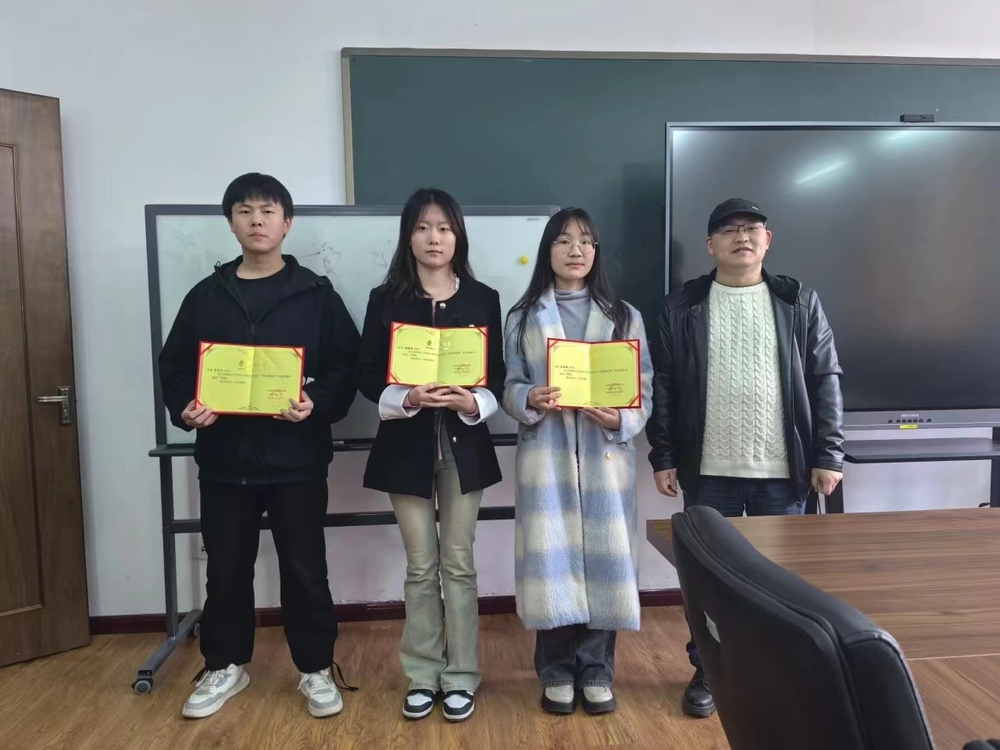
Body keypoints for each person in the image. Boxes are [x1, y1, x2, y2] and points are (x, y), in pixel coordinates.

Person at [159, 173, 360, 720]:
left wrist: (316, 401)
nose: (256, 220)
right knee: (225, 570)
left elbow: (347, 365)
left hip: (297, 459)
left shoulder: (317, 294)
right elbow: (174, 365)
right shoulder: (205, 295)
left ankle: (315, 668)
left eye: (268, 211)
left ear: (286, 223)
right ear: (231, 223)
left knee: (305, 568)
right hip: (224, 461)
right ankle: (225, 664)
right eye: (244, 211)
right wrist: (186, 406)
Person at [646, 197, 845, 718]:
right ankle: (709, 671)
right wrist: (663, 454)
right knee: (706, 582)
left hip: (783, 472)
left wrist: (829, 453)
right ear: (710, 245)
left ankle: (776, 673)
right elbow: (663, 385)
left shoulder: (799, 302)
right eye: (729, 230)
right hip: (707, 470)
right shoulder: (680, 306)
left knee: (780, 582)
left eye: (752, 228)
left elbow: (824, 378)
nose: (742, 237)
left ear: (767, 240)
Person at [357, 188, 505, 723]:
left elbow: (497, 374)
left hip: (465, 449)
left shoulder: (484, 298)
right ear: (409, 237)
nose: (434, 238)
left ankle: (461, 676)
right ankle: (423, 674)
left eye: (443, 227)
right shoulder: (385, 299)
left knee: (458, 563)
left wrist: (474, 401)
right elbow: (366, 375)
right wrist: (406, 397)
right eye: (422, 228)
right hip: (406, 448)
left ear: (457, 236)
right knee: (421, 566)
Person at [502, 207, 653, 716]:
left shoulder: (624, 316)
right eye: (564, 240)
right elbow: (509, 385)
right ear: (548, 250)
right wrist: (529, 398)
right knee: (553, 563)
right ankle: (556, 671)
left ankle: (597, 669)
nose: (576, 250)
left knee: (604, 564)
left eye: (586, 241)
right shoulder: (523, 316)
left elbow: (644, 388)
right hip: (546, 457)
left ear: (596, 252)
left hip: (605, 458)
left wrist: (621, 417)